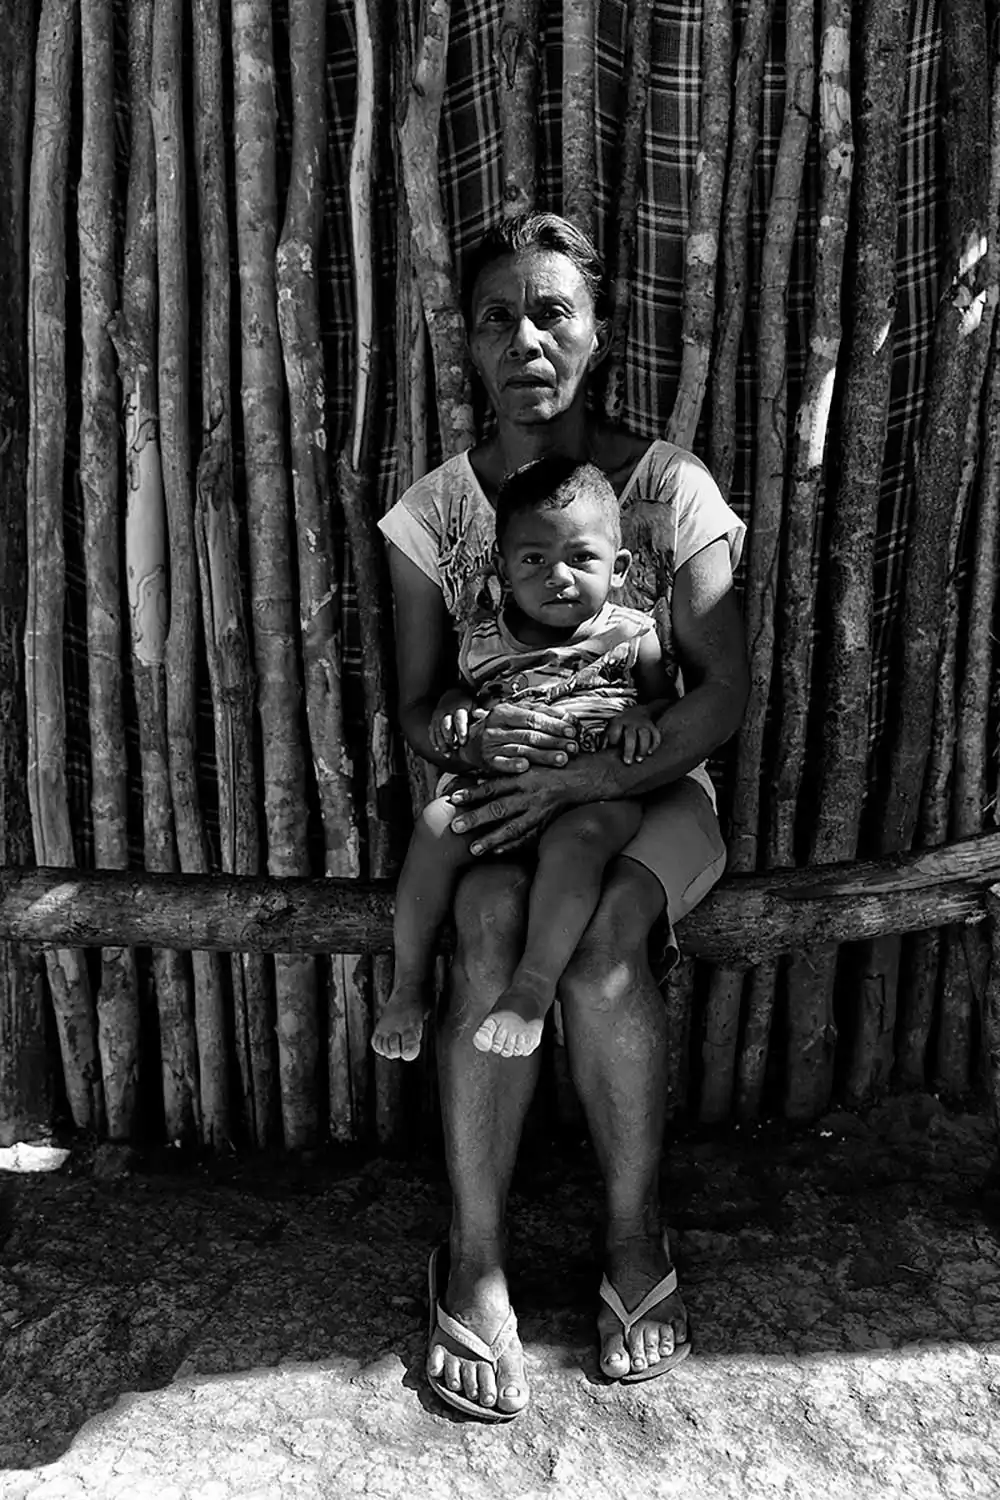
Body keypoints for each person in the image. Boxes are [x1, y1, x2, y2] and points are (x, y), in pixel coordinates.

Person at [376, 212, 748, 1420]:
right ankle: (475, 1255)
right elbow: (420, 703)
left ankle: (633, 1238)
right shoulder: (435, 515)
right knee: (484, 925)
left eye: (551, 312)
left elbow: (722, 694)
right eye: (499, 317)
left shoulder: (666, 488)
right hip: (504, 803)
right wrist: (472, 739)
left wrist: (590, 779)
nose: (526, 338)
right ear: (470, 346)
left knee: (597, 949)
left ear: (596, 331)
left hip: (647, 800)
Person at [372, 456, 674, 1064]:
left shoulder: (632, 633)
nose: (558, 576)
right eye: (534, 560)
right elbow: (456, 692)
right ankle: (407, 987)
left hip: (596, 795)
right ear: (505, 574)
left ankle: (532, 988)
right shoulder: (483, 640)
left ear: (619, 569)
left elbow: (665, 698)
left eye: (581, 559)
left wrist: (643, 717)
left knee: (579, 838)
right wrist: (456, 711)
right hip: (501, 792)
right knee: (434, 827)